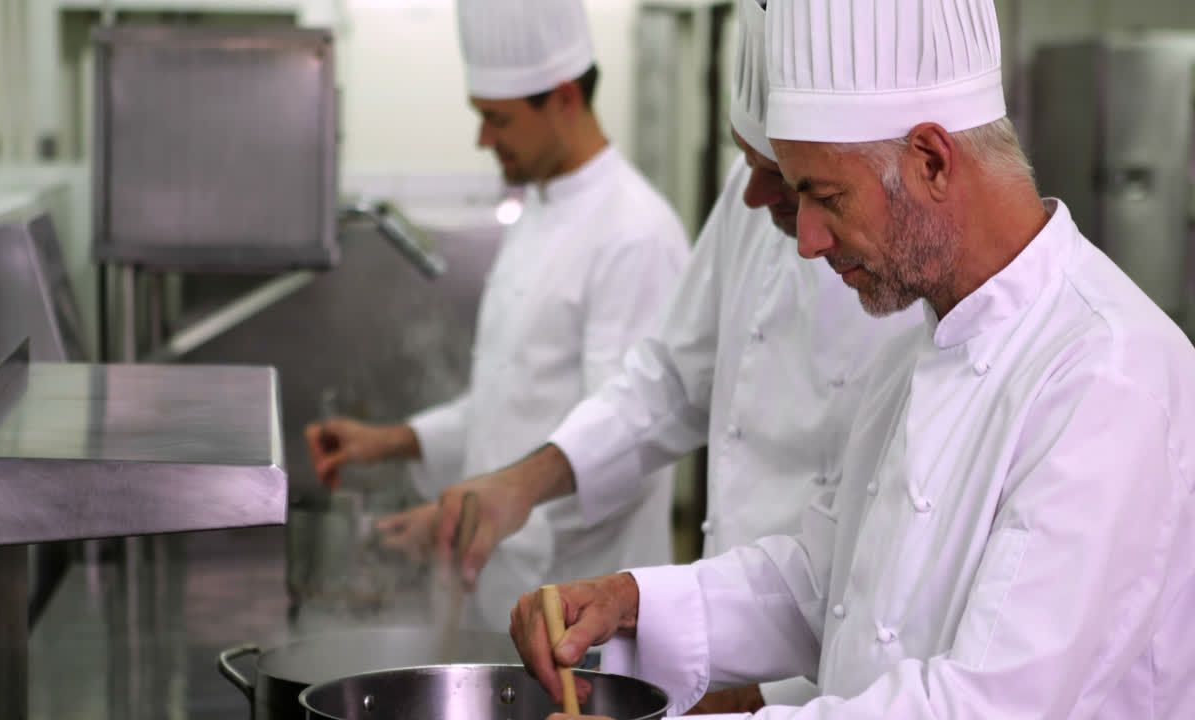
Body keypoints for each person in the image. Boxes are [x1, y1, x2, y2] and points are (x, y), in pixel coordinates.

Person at [510, 0, 1195, 717]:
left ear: (931, 158)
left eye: (823, 196)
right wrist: (631, 604)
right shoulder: (914, 350)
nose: (806, 240)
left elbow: (989, 706)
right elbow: (823, 584)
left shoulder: (1107, 379)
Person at [425, 0, 919, 711]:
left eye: (789, 178)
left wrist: (754, 690)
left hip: (820, 681)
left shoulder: (905, 275)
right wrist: (524, 483)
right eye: (748, 162)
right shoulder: (751, 200)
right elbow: (670, 382)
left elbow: (876, 570)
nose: (752, 196)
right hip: (722, 621)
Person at [304, 0, 690, 631]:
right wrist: (390, 441)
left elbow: (627, 447)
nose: (484, 139)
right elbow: (510, 403)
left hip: (577, 608)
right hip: (503, 589)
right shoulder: (537, 210)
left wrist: (465, 517)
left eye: (497, 119)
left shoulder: (635, 234)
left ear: (563, 97)